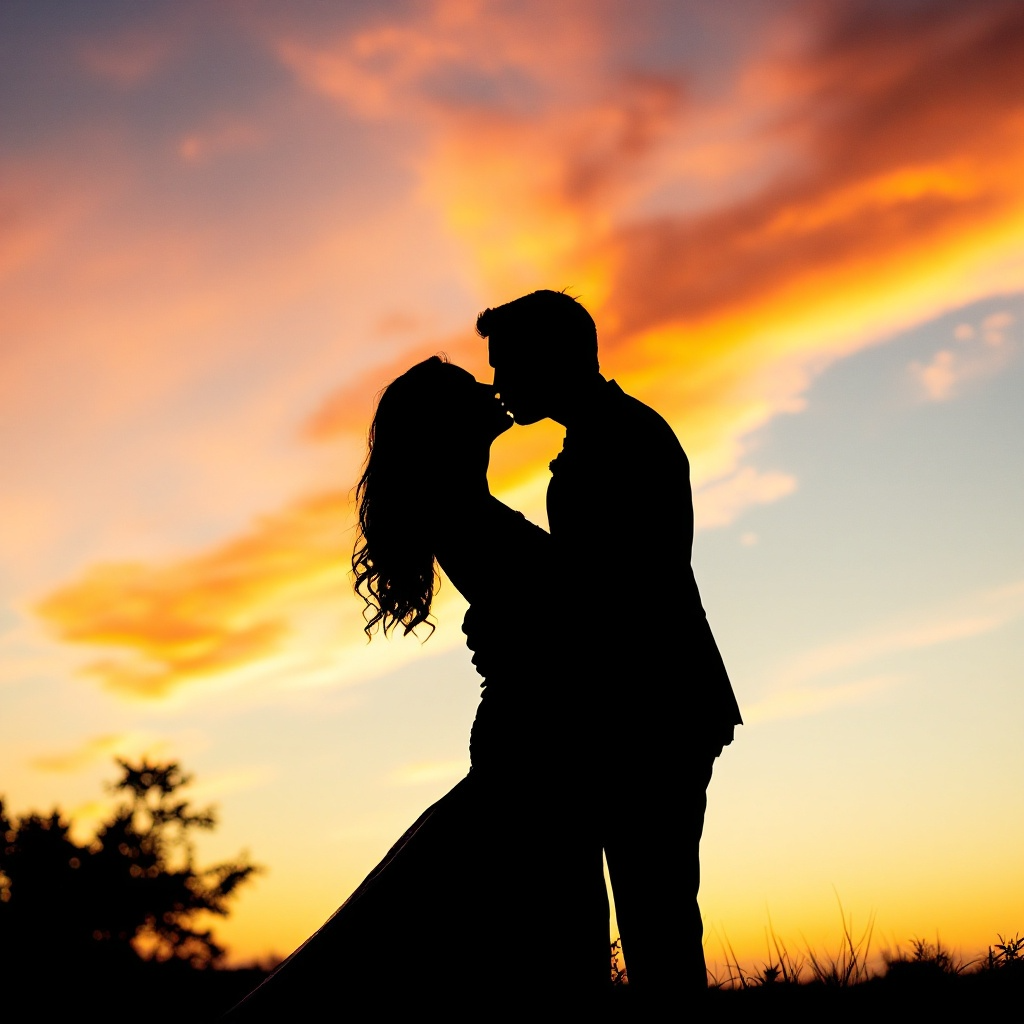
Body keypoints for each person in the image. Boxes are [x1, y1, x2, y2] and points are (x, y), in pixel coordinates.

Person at [224, 356, 609, 1020]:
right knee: (497, 910)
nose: (491, 391)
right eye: (470, 391)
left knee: (494, 907)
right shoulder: (459, 511)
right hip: (533, 733)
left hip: (537, 727)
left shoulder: (465, 506)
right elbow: (554, 616)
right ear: (446, 425)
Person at [474, 289, 743, 1001]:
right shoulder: (599, 439)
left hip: (655, 706)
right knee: (639, 918)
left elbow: (623, 587)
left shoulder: (624, 439)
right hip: (637, 704)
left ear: (553, 357)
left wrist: (516, 616)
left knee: (656, 922)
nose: (500, 385)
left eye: (508, 366)